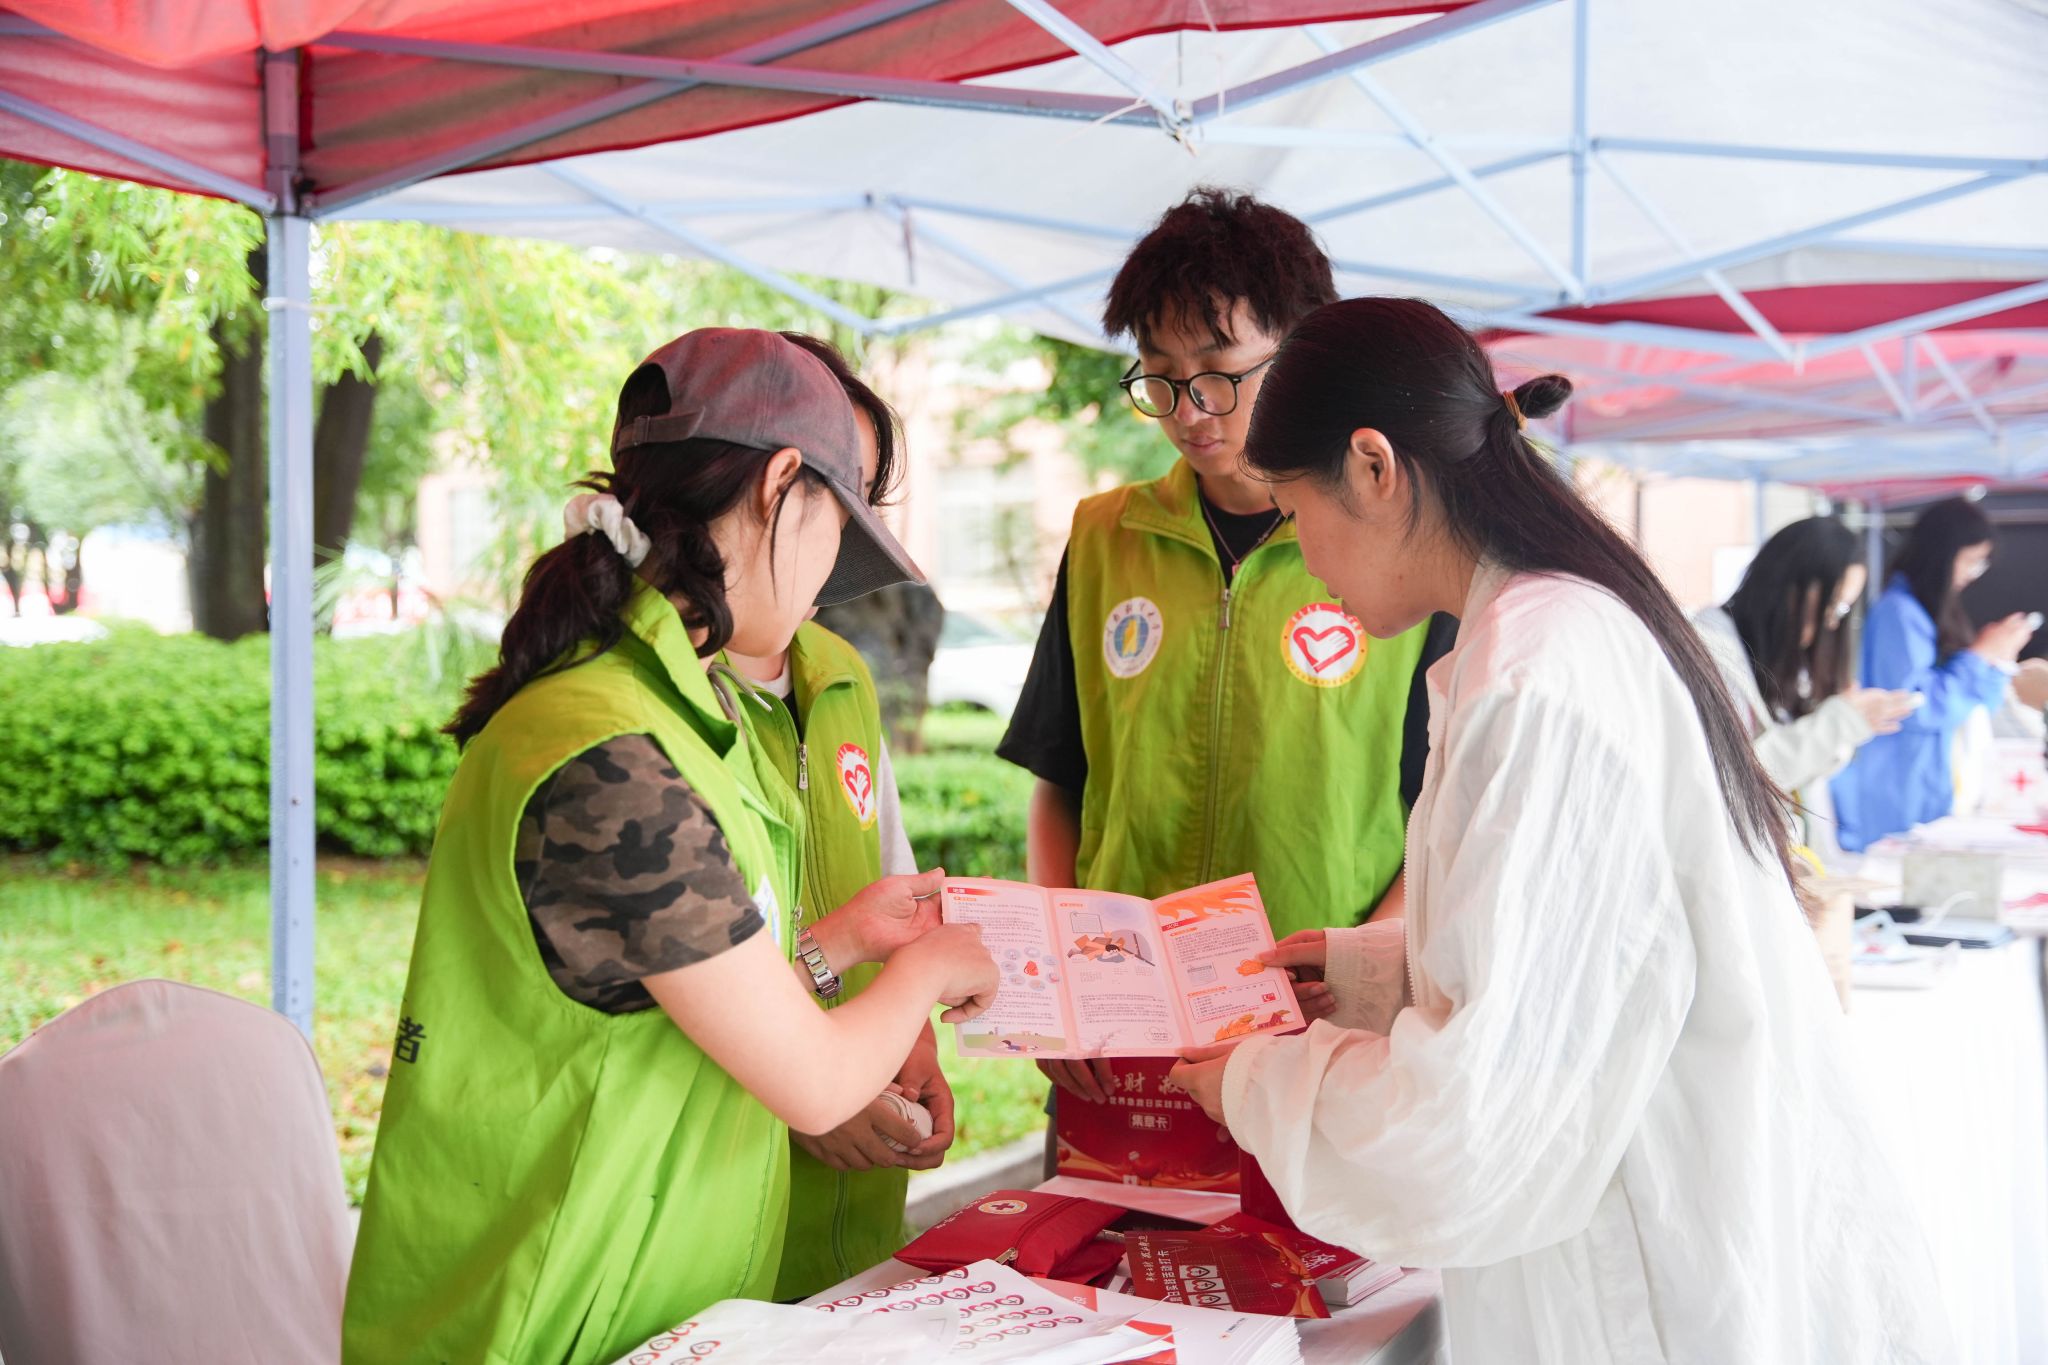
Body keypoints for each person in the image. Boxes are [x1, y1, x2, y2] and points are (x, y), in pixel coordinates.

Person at [1169, 297, 1949, 1362]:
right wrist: (1370, 976)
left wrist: (1254, 1081)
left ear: (1372, 467)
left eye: (1294, 512)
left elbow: (1476, 1115)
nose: (1304, 557)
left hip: (1651, 1274)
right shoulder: (1543, 633)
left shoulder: (1537, 672)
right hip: (1653, 1230)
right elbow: (1591, 958)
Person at [342, 329, 997, 1365]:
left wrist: (847, 944)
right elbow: (816, 1080)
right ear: (782, 483)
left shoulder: (672, 719)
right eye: (837, 526)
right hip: (547, 1321)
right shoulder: (610, 753)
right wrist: (935, 965)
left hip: (641, 1306)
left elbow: (692, 1001)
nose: (832, 576)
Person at [996, 188, 1445, 1147]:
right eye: (1160, 379)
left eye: (1218, 374)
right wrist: (1059, 973)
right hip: (1122, 1033)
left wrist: (1362, 965)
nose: (1189, 412)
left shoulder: (1395, 546)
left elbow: (1441, 816)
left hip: (1314, 1030)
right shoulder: (1106, 536)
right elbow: (1061, 777)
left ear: (1302, 353)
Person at [719, 335, 953, 1300]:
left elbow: (890, 884)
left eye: (863, 494)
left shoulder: (839, 671)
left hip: (858, 1209)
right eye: (829, 488)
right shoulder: (662, 710)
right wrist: (808, 1087)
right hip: (727, 1211)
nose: (844, 531)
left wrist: (911, 1036)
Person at [1691, 516, 1918, 852]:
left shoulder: (1783, 661)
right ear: (1789, 585)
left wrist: (1842, 724)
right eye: (1834, 602)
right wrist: (1837, 724)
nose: (1832, 621)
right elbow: (1735, 780)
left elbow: (1791, 775)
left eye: (1843, 609)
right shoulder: (1711, 649)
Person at [1830, 498, 2038, 850]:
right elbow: (1913, 706)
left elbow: (1976, 707)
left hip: (1934, 785)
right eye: (1969, 560)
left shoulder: (1937, 610)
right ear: (1942, 553)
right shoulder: (1898, 612)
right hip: (1898, 789)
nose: (1972, 573)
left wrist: (1998, 660)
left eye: (1980, 563)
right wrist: (1980, 656)